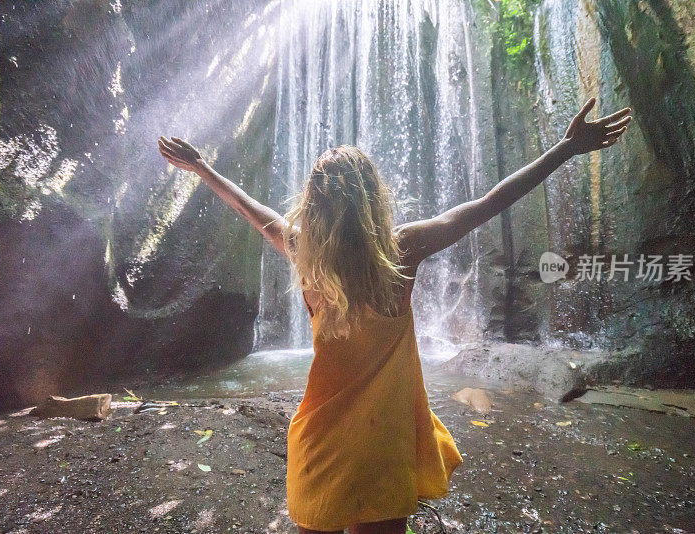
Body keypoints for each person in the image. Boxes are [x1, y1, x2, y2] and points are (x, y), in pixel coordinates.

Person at [158, 96, 631, 534]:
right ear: (371, 200)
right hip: (384, 443)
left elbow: (253, 210)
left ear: (314, 206)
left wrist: (200, 167)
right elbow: (490, 202)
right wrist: (565, 149)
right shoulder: (401, 250)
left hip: (320, 442)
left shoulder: (306, 252)